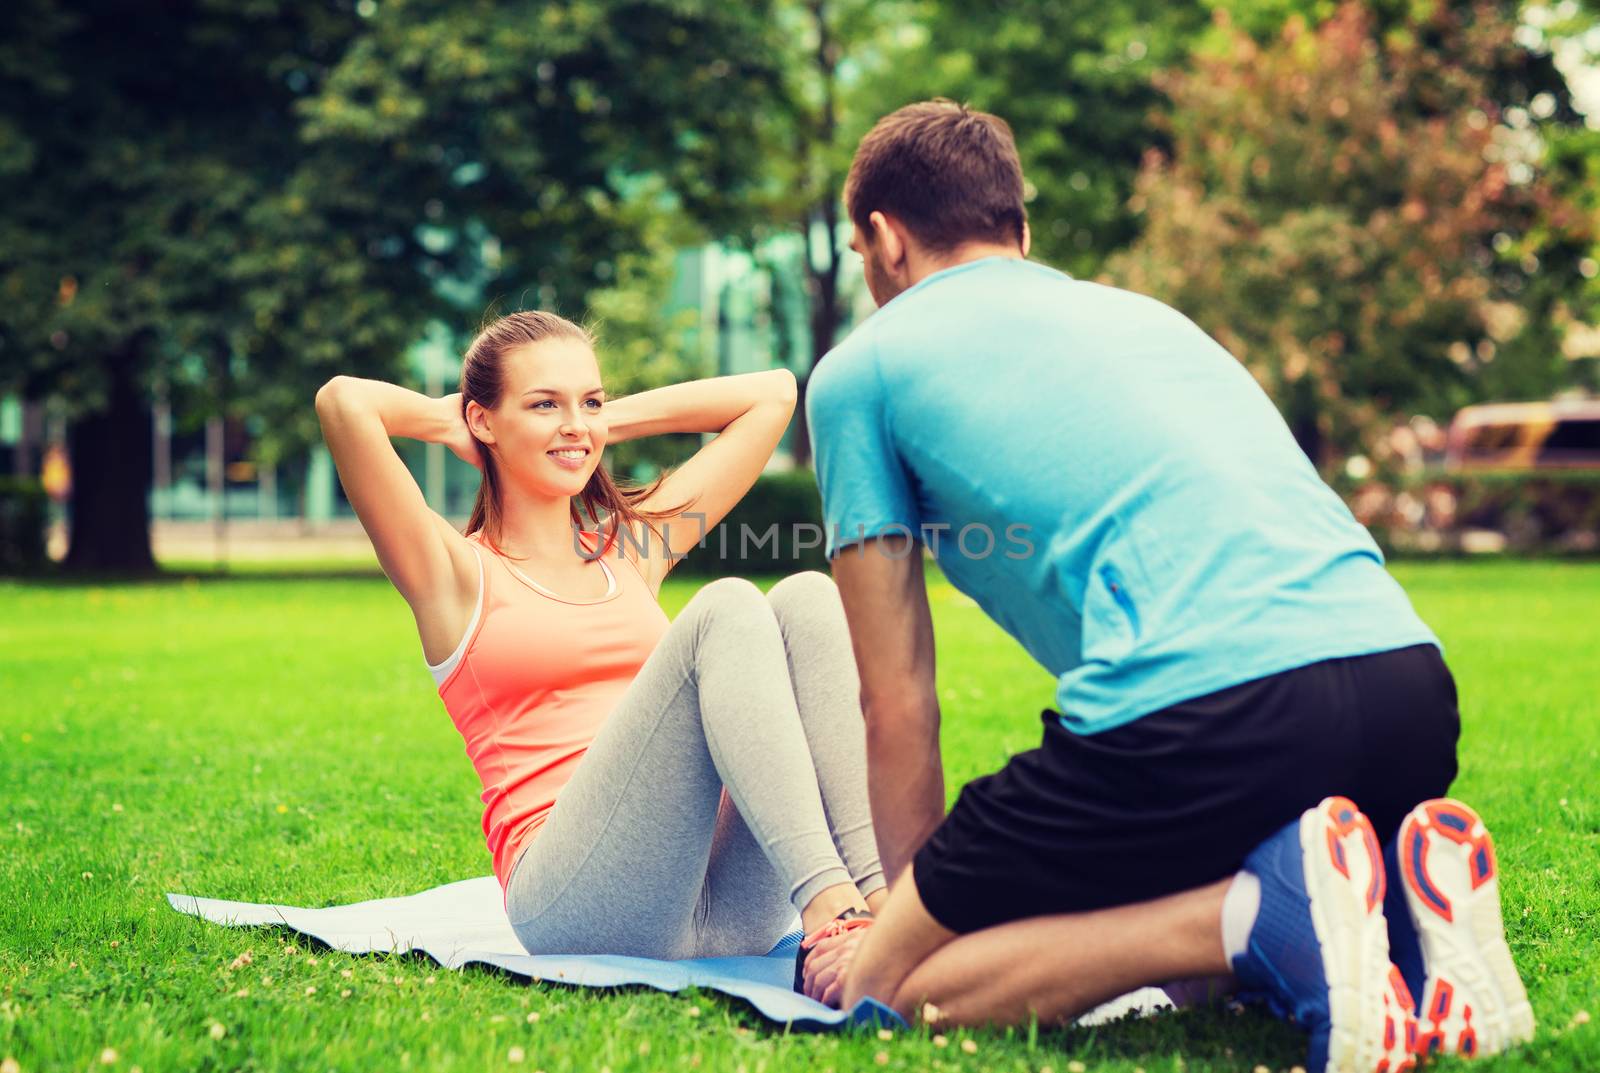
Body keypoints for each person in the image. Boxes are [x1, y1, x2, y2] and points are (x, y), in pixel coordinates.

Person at [798, 100, 1534, 1070]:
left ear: (883, 241)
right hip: (1406, 695)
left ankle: (1250, 915)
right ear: (1019, 226)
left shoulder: (863, 371)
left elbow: (894, 701)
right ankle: (1396, 924)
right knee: (1146, 949)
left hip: (1211, 716)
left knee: (889, 989)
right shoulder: (1148, 319)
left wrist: (910, 918)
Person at [315, 310, 884, 975]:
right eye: (543, 403)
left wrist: (593, 421)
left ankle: (882, 903)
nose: (575, 424)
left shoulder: (630, 552)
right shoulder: (454, 575)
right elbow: (344, 402)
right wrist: (450, 420)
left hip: (726, 904)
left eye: (589, 400)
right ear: (483, 420)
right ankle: (831, 905)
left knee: (808, 597)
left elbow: (773, 394)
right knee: (726, 605)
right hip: (578, 899)